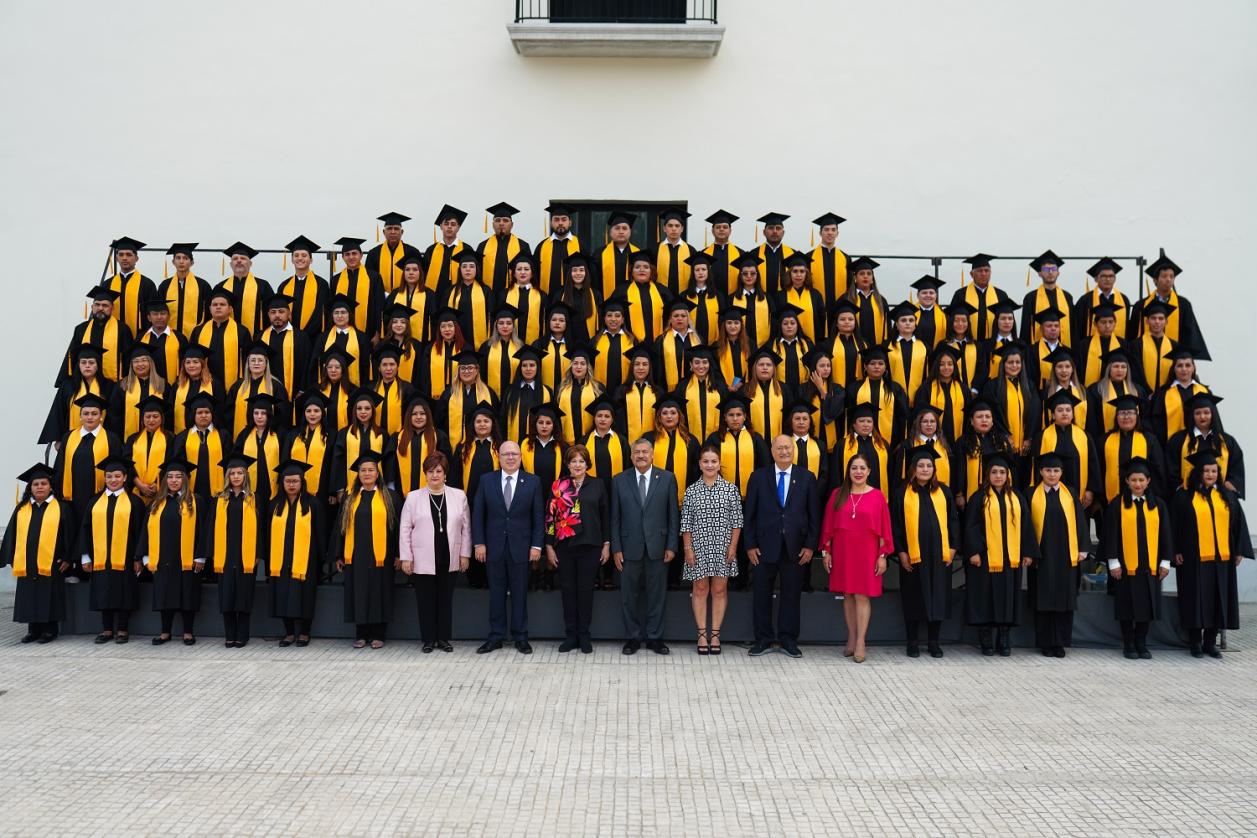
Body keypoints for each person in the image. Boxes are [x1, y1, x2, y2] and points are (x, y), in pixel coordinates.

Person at [743, 435, 821, 658]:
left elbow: (814, 515)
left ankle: (788, 639)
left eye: (787, 447)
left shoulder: (806, 478)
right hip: (763, 548)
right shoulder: (758, 477)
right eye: (779, 448)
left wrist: (810, 546)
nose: (784, 451)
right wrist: (749, 545)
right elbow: (749, 515)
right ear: (772, 450)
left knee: (791, 595)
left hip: (795, 548)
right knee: (761, 594)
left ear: (794, 450)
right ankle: (763, 639)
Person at [1171, 449, 1251, 658]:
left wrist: (1239, 550)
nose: (1210, 474)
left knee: (1218, 599)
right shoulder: (1184, 496)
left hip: (1221, 560)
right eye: (1206, 471)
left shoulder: (1227, 496)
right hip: (1193, 559)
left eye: (1214, 471)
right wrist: (1176, 550)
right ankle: (1195, 642)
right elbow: (1174, 525)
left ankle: (1210, 642)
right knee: (1195, 598)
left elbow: (1238, 524)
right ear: (1197, 472)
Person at [472, 441, 545, 654]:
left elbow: (538, 517)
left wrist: (536, 546)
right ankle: (496, 636)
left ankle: (520, 637)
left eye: (514, 454)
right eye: (506, 454)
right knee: (496, 594)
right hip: (493, 547)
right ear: (499, 457)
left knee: (520, 593)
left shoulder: (532, 482)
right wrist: (479, 543)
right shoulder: (487, 480)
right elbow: (478, 514)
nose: (510, 458)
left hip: (522, 548)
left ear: (521, 457)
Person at [819, 454, 893, 663]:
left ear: (869, 471)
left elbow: (883, 530)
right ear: (848, 471)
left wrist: (882, 556)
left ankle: (861, 640)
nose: (858, 472)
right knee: (848, 594)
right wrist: (827, 552)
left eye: (862, 468)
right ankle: (851, 637)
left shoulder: (878, 496)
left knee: (862, 595)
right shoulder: (837, 494)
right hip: (843, 550)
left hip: (868, 552)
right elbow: (828, 527)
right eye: (854, 468)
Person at [610, 438, 680, 655]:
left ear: (652, 455)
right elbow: (615, 518)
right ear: (631, 456)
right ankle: (632, 638)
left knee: (657, 596)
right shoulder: (619, 480)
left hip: (658, 548)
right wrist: (616, 548)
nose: (641, 456)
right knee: (628, 596)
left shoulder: (667, 478)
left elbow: (673, 516)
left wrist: (672, 545)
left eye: (645, 452)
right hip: (628, 547)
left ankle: (654, 638)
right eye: (636, 452)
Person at [963, 454, 1038, 656]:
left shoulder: (1017, 497)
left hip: (1009, 559)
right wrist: (974, 552)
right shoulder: (978, 497)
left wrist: (1028, 552)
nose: (998, 476)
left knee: (1007, 598)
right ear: (988, 474)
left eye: (1002, 472)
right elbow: (970, 527)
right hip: (986, 559)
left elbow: (1026, 526)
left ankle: (1004, 639)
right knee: (985, 598)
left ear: (1008, 475)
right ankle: (986, 638)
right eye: (994, 472)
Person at [890, 446, 959, 657]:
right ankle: (912, 642)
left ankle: (933, 642)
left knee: (937, 597)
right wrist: (901, 552)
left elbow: (954, 522)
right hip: (913, 556)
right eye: (920, 465)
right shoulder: (902, 492)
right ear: (912, 469)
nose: (925, 469)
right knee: (913, 598)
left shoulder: (944, 491)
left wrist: (953, 548)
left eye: (929, 465)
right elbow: (896, 525)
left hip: (939, 555)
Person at [400, 451, 472, 653]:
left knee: (445, 599)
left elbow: (466, 528)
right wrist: (406, 558)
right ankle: (428, 639)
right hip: (422, 558)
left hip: (449, 555)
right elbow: (405, 529)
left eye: (438, 471)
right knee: (425, 600)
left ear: (445, 474)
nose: (435, 475)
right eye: (430, 471)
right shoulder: (413, 497)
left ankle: (444, 639)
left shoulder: (459, 496)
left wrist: (465, 554)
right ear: (425, 474)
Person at [1102, 457, 1174, 659]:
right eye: (1133, 480)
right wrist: (1113, 562)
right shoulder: (1118, 504)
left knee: (1147, 606)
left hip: (1150, 565)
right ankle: (1128, 643)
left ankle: (1141, 642)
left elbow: (1166, 534)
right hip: (1125, 566)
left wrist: (1165, 561)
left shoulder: (1158, 505)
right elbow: (1111, 534)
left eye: (1141, 480)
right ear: (1126, 481)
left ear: (1148, 481)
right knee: (1126, 606)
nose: (1137, 484)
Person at [545, 444, 611, 654]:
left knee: (585, 592)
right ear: (567, 464)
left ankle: (584, 635)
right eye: (573, 461)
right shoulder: (558, 485)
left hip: (591, 545)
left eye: (581, 461)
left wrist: (607, 544)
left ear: (587, 463)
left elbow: (605, 516)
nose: (577, 464)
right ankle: (570, 635)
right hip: (564, 546)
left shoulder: (598, 484)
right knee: (568, 591)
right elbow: (550, 517)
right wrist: (549, 546)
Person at [0, 464, 74, 643]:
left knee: (49, 594)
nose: (40, 487)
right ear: (30, 488)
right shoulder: (22, 509)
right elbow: (11, 534)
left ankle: (49, 630)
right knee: (29, 595)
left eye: (43, 483)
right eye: (36, 484)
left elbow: (70, 535)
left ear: (50, 487)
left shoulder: (62, 507)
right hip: (27, 560)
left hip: (52, 561)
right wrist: (9, 556)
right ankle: (33, 630)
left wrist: (67, 557)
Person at [680, 445, 743, 655]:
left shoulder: (730, 489)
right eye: (705, 461)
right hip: (698, 548)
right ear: (699, 464)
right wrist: (688, 549)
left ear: (719, 463)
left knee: (719, 590)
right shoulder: (691, 491)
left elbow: (737, 522)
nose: (709, 465)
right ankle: (701, 634)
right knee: (699, 590)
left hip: (723, 547)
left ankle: (715, 635)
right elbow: (686, 524)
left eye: (713, 461)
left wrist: (733, 546)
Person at [334, 450, 399, 649]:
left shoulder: (390, 497)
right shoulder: (350, 498)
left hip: (382, 556)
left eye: (371, 470)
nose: (367, 473)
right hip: (356, 555)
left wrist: (398, 553)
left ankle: (379, 634)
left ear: (378, 473)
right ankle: (361, 634)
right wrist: (339, 554)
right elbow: (341, 527)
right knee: (359, 592)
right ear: (358, 474)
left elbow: (397, 527)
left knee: (380, 592)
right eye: (363, 470)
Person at [76, 456, 145, 644]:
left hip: (126, 557)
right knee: (103, 592)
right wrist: (85, 556)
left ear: (124, 478)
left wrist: (139, 557)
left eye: (117, 476)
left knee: (124, 592)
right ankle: (106, 629)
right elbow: (85, 529)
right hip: (100, 558)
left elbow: (141, 532)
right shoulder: (94, 502)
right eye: (109, 477)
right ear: (104, 479)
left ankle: (122, 629)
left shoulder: (135, 502)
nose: (113, 480)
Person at [1027, 453, 1089, 657]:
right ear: (1040, 472)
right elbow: (1027, 527)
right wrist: (1028, 552)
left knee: (1064, 600)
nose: (1052, 474)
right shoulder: (1030, 494)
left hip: (1065, 555)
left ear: (1061, 472)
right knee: (1043, 599)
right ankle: (1045, 642)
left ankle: (1060, 642)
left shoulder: (1070, 493)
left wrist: (1082, 548)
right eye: (1047, 470)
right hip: (1042, 556)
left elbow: (1081, 522)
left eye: (1056, 470)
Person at [139, 458, 204, 646]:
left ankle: (188, 632)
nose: (174, 480)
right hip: (163, 556)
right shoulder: (156, 503)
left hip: (187, 557)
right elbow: (146, 530)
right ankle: (165, 631)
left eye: (178, 477)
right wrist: (145, 556)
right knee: (164, 594)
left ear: (185, 479)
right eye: (170, 477)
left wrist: (200, 556)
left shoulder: (195, 501)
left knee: (187, 594)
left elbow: (203, 531)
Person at [202, 452, 262, 648]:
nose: (236, 477)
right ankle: (229, 634)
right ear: (227, 476)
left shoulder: (254, 499)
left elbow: (262, 529)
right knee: (227, 595)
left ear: (246, 475)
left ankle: (242, 635)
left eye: (240, 473)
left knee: (244, 595)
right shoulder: (219, 499)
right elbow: (210, 527)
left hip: (246, 555)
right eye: (232, 473)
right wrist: (211, 554)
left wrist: (258, 554)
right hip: (225, 555)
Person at [268, 459, 326, 648]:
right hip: (281, 559)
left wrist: (320, 558)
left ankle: (304, 632)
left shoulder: (313, 504)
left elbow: (320, 532)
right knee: (283, 594)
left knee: (305, 595)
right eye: (288, 481)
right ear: (282, 483)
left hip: (306, 559)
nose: (291, 485)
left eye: (295, 481)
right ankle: (289, 632)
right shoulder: (274, 505)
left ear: (302, 482)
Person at [52, 393, 124, 521]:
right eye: (85, 413)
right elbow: (60, 466)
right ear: (80, 416)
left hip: (101, 496)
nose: (90, 417)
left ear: (101, 416)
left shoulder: (111, 439)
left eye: (94, 413)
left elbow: (118, 468)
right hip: (72, 498)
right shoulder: (68, 437)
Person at [1129, 248, 1210, 360]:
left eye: (1171, 276)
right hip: (1145, 359)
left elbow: (1189, 335)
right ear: (1155, 280)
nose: (1168, 280)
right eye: (1164, 276)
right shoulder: (1141, 305)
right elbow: (1132, 335)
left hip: (1175, 360)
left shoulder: (1183, 305)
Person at [57, 287, 130, 385]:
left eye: (105, 305)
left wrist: (127, 379)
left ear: (112, 308)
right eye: (97, 305)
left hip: (113, 385)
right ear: (92, 307)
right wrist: (66, 381)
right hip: (86, 383)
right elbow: (72, 355)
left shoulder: (122, 329)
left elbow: (128, 357)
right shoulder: (81, 329)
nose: (100, 308)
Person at [189, 286, 251, 389]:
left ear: (230, 309)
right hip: (204, 384)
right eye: (214, 305)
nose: (218, 307)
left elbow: (247, 360)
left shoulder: (241, 331)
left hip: (234, 385)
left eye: (222, 304)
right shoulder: (198, 331)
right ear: (210, 309)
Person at [101, 236, 158, 338]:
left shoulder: (147, 284)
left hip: (140, 338)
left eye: (129, 254)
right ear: (116, 258)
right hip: (111, 336)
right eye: (121, 254)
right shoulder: (107, 284)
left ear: (136, 258)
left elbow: (153, 313)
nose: (124, 258)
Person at [331, 236, 386, 337]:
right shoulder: (336, 280)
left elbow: (379, 306)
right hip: (342, 332)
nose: (351, 257)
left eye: (354, 253)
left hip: (369, 331)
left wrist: (378, 332)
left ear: (361, 255)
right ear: (343, 257)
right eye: (347, 254)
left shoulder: (374, 277)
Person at [276, 236, 329, 338]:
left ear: (311, 260)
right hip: (288, 336)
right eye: (296, 255)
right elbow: (281, 312)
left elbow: (320, 313)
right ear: (292, 260)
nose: (300, 258)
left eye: (304, 255)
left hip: (313, 337)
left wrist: (304, 335)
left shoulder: (321, 284)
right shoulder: (284, 286)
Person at [218, 241, 274, 337]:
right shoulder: (221, 287)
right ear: (231, 264)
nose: (239, 261)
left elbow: (272, 312)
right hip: (226, 337)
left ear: (250, 263)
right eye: (235, 259)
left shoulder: (263, 286)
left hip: (257, 339)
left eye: (243, 258)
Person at [949, 253, 1009, 342]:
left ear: (990, 273)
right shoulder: (960, 295)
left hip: (993, 344)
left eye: (986, 270)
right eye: (980, 271)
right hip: (969, 343)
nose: (983, 274)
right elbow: (951, 321)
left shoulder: (1000, 295)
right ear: (971, 274)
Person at [157, 242, 211, 337]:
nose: (181, 261)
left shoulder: (203, 285)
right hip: (169, 336)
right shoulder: (165, 285)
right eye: (178, 258)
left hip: (196, 336)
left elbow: (209, 313)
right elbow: (158, 310)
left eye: (185, 258)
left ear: (192, 262)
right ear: (173, 262)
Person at [536, 203, 581, 296]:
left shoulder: (580, 245)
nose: (560, 223)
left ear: (570, 222)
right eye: (556, 219)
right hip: (547, 299)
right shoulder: (541, 246)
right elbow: (534, 274)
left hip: (575, 298)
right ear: (551, 223)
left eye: (564, 219)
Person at [366, 211, 416, 295]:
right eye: (389, 228)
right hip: (380, 298)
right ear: (384, 232)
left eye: (396, 228)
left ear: (402, 232)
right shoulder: (373, 253)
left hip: (406, 297)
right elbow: (369, 279)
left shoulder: (412, 252)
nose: (393, 232)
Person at [702, 208, 742, 295]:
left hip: (734, 299)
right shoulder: (703, 254)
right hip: (710, 299)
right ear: (712, 231)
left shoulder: (741, 254)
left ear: (730, 230)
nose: (721, 229)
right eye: (718, 227)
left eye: (725, 227)